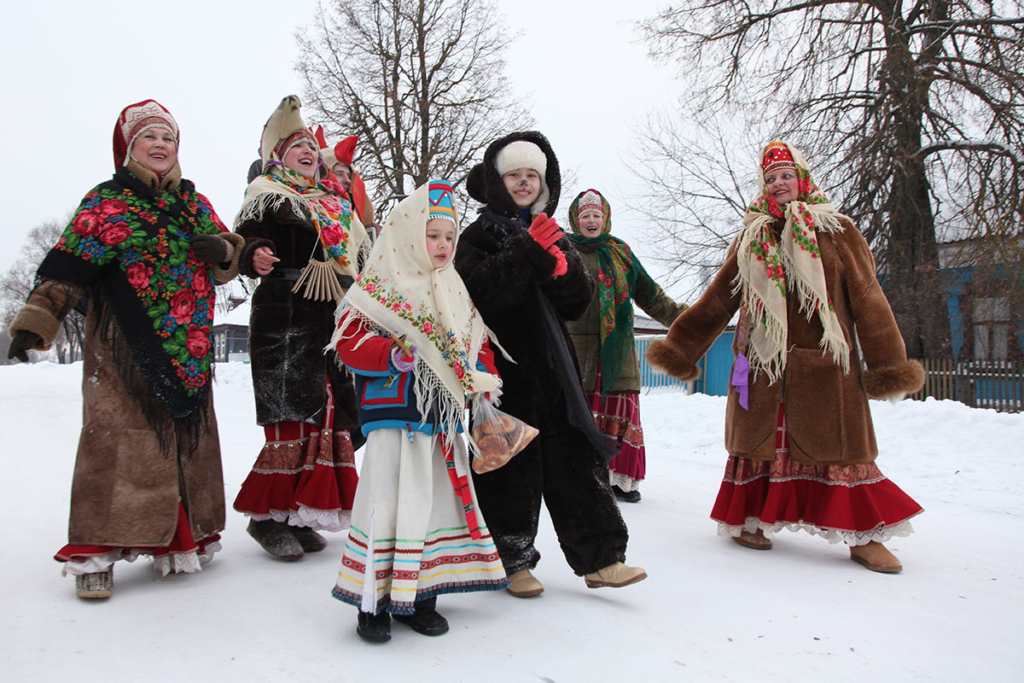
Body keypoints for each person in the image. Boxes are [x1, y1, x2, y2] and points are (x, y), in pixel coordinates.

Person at [647, 141, 925, 573]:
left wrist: (888, 365)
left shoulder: (838, 231)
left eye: (786, 175)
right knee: (760, 446)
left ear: (803, 179)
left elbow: (869, 298)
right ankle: (750, 521)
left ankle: (863, 537)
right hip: (761, 365)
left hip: (826, 366)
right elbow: (719, 299)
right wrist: (680, 348)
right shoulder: (751, 237)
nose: (779, 183)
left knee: (841, 448)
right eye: (770, 178)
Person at [6, 100, 244, 598]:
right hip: (122, 348)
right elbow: (67, 266)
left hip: (189, 346)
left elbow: (230, 256)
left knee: (184, 442)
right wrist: (37, 320)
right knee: (114, 442)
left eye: (168, 138)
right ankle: (94, 553)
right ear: (129, 148)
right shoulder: (107, 201)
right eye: (149, 137)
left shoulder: (195, 203)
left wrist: (223, 250)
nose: (160, 145)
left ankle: (180, 540)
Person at [455, 131, 647, 598]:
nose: (524, 183)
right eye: (514, 175)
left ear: (544, 182)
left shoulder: (554, 232)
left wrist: (563, 271)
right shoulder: (477, 236)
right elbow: (478, 292)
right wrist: (528, 255)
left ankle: (603, 558)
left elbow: (578, 302)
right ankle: (512, 560)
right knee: (510, 466)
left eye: (532, 175)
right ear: (497, 181)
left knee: (576, 460)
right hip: (501, 370)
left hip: (557, 367)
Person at [331, 180, 508, 643]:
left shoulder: (454, 288)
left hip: (442, 422)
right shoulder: (379, 283)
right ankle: (373, 601)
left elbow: (475, 342)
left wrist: (485, 378)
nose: (443, 245)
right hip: (395, 417)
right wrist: (389, 354)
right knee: (387, 503)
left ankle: (421, 595)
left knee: (432, 506)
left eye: (449, 237)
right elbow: (349, 341)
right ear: (408, 234)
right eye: (433, 236)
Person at [232, 96, 371, 561]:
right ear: (278, 156)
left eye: (312, 146)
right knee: (292, 417)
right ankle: (266, 520)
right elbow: (246, 236)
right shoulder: (267, 193)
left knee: (328, 416)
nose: (309, 152)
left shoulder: (334, 203)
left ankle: (298, 515)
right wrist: (254, 253)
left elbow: (361, 256)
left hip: (332, 320)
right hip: (286, 314)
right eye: (298, 147)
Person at [566, 189, 687, 503]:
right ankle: (580, 477)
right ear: (576, 220)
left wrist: (689, 320)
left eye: (596, 214)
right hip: (577, 352)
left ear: (605, 218)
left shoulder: (622, 254)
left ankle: (620, 481)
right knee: (581, 414)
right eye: (585, 215)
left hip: (618, 352)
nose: (591, 220)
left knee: (620, 409)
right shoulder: (565, 251)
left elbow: (651, 296)